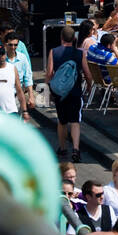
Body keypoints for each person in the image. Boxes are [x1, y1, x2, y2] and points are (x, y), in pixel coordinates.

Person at [47, 26, 84, 162]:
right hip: (75, 91)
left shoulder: (54, 52)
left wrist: (48, 89)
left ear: (61, 38)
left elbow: (49, 73)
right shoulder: (80, 53)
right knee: (75, 121)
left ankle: (63, 148)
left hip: (59, 92)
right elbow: (86, 72)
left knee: (62, 121)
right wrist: (91, 85)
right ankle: (76, 149)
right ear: (74, 39)